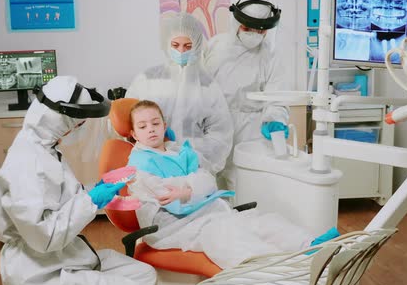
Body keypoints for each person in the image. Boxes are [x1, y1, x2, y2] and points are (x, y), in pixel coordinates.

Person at [0, 76, 160, 285]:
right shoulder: (27, 164)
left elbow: (59, 199)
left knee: (145, 275)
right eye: (77, 124)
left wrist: (98, 192)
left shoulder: (44, 147)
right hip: (40, 276)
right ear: (59, 119)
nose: (77, 129)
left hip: (64, 257)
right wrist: (92, 200)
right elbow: (44, 237)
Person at [125, 100, 338, 269]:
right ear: (134, 134)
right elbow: (167, 196)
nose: (151, 129)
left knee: (257, 221)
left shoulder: (180, 151)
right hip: (174, 226)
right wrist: (192, 187)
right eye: (143, 126)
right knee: (223, 235)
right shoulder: (138, 163)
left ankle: (313, 246)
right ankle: (279, 269)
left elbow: (208, 178)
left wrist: (187, 190)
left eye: (155, 123)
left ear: (164, 125)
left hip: (205, 212)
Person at [125, 12, 233, 175]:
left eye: (188, 46)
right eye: (175, 45)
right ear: (166, 43)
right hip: (153, 165)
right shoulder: (147, 79)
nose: (181, 51)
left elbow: (220, 134)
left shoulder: (208, 86)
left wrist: (194, 160)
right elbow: (129, 124)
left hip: (193, 168)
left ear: (197, 45)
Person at [205, 0, 291, 190]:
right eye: (248, 28)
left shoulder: (271, 56)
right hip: (214, 126)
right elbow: (198, 87)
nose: (254, 35)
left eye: (260, 31)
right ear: (236, 23)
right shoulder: (215, 47)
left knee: (247, 187)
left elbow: (276, 97)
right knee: (210, 184)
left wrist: (275, 119)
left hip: (251, 129)